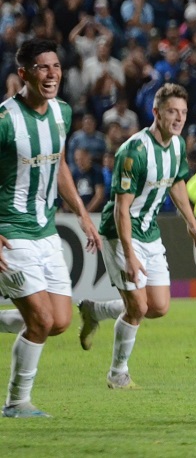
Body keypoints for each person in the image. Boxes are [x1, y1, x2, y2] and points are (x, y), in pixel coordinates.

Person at [76, 83, 196, 390]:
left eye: (183, 113)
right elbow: (121, 209)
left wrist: (193, 224)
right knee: (137, 307)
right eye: (171, 112)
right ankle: (117, 374)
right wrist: (130, 254)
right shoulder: (133, 152)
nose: (178, 119)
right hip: (121, 232)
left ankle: (94, 310)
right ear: (156, 113)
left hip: (149, 232)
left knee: (159, 307)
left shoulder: (177, 145)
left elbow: (177, 184)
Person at [0, 39, 102, 418]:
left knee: (59, 321)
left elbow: (58, 165)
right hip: (11, 231)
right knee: (41, 321)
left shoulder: (61, 113)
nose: (52, 74)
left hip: (46, 232)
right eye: (43, 67)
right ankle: (16, 402)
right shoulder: (6, 120)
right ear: (23, 73)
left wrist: (82, 213)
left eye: (56, 66)